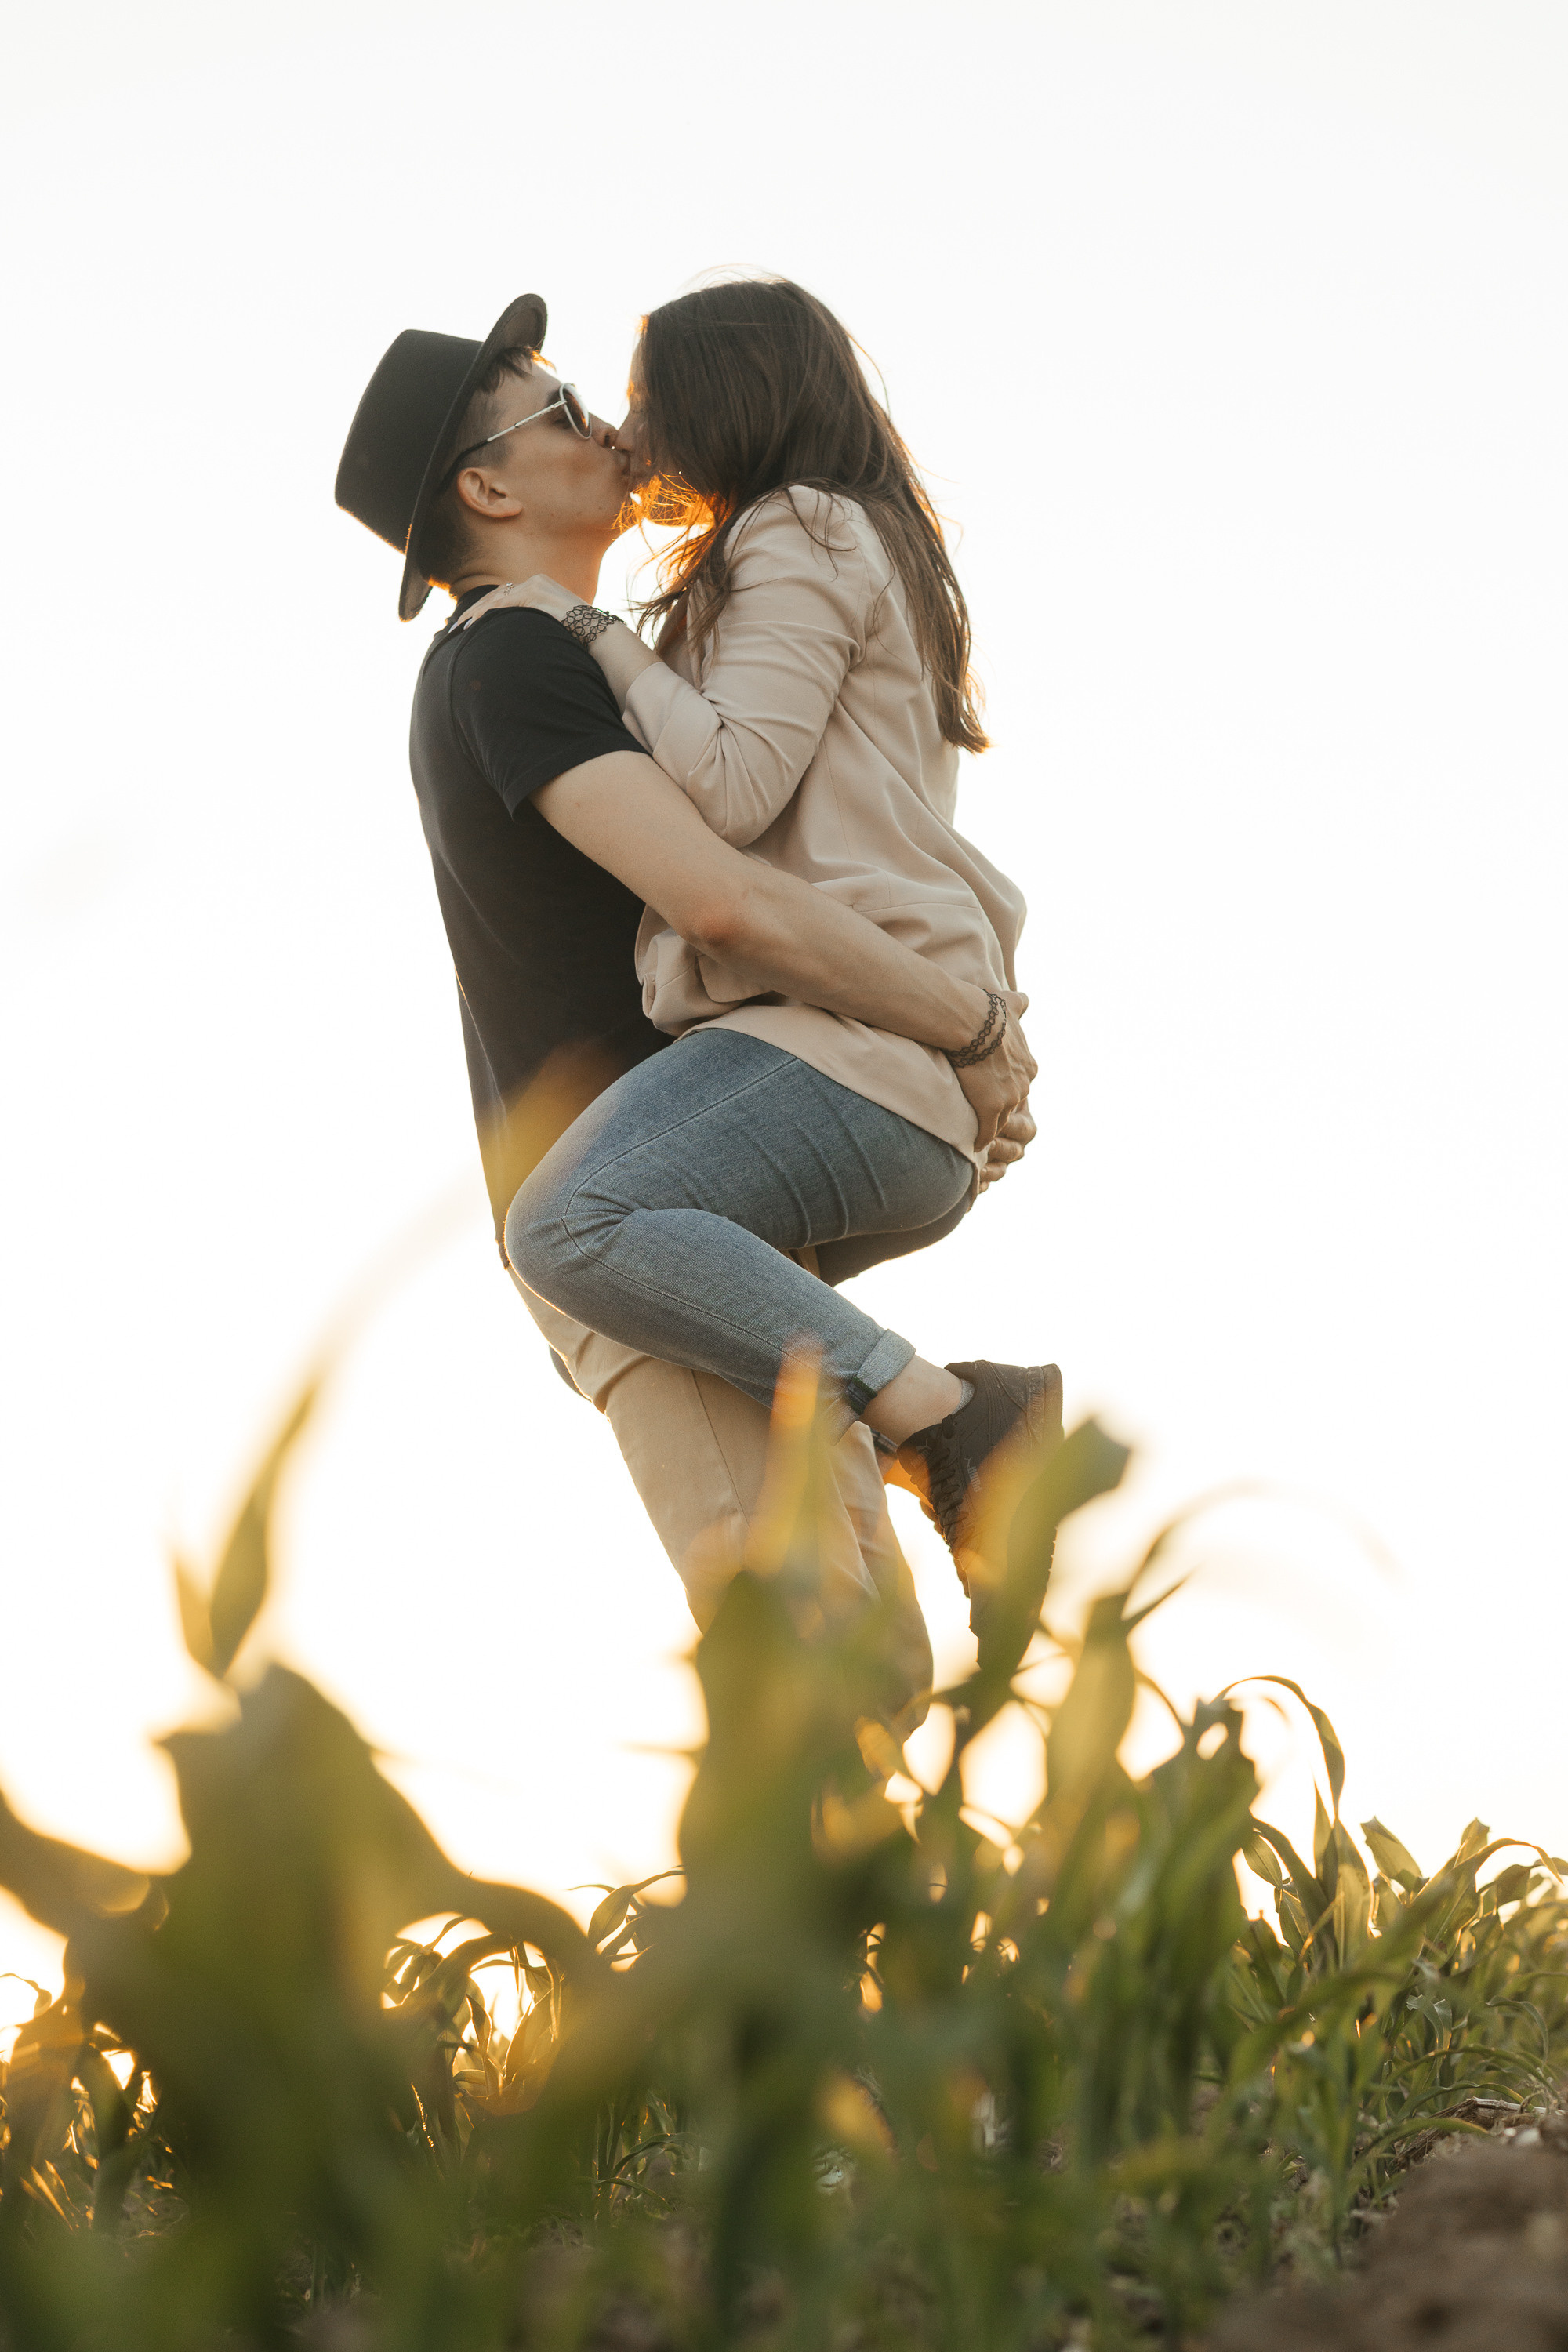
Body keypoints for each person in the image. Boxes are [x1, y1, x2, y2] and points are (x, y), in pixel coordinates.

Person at [334, 292, 1043, 1708]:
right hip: (617, 1205)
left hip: (694, 1189)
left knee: (863, 1657)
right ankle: (951, 1411)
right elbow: (729, 899)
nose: (608, 421)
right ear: (487, 484)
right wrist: (970, 1028)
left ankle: (900, 1925)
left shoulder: (596, 649)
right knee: (806, 1672)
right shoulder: (517, 650)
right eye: (560, 409)